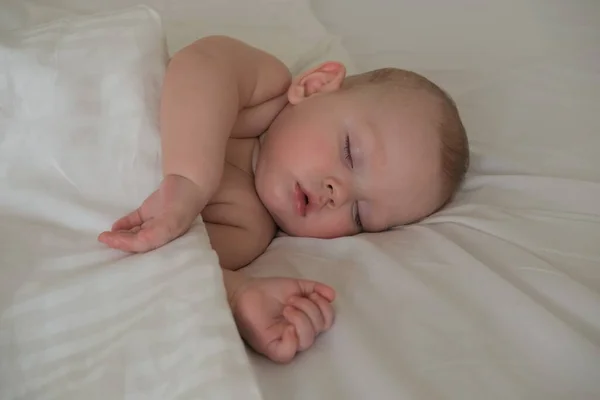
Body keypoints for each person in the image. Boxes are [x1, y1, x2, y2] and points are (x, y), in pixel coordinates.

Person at [98, 35, 469, 363]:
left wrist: (237, 295)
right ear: (314, 86)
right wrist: (189, 181)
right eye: (350, 153)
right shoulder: (262, 88)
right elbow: (201, 63)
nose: (336, 194)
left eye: (359, 214)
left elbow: (168, 257)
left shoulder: (247, 229)